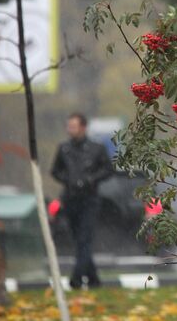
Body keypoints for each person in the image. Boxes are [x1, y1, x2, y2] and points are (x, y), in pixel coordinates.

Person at [51, 113, 113, 289]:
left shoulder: (96, 148)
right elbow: (55, 171)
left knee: (85, 238)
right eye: (69, 126)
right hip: (70, 199)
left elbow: (107, 170)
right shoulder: (64, 149)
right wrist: (69, 180)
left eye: (74, 126)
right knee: (79, 240)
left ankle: (76, 278)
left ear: (83, 127)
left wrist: (90, 180)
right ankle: (93, 279)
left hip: (89, 199)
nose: (70, 130)